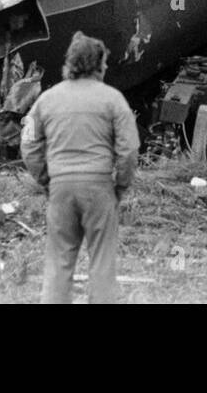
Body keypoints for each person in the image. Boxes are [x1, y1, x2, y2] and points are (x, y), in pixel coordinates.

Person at [22, 31, 139, 304]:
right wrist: (120, 186)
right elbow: (129, 150)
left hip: (61, 188)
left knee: (58, 264)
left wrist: (47, 180)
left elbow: (28, 145)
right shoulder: (113, 99)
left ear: (70, 63)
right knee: (102, 265)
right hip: (98, 187)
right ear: (98, 64)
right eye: (105, 63)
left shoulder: (47, 100)